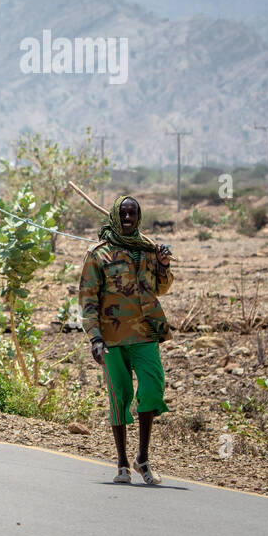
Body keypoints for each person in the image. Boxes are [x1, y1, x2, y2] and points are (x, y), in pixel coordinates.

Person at [79, 195, 173, 485]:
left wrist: (164, 264)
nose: (129, 219)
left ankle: (142, 458)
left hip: (145, 334)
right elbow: (87, 299)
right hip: (111, 338)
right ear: (115, 217)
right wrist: (95, 338)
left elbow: (162, 287)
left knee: (152, 388)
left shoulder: (147, 250)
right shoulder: (99, 254)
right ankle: (122, 463)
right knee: (119, 397)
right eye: (124, 214)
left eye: (133, 214)